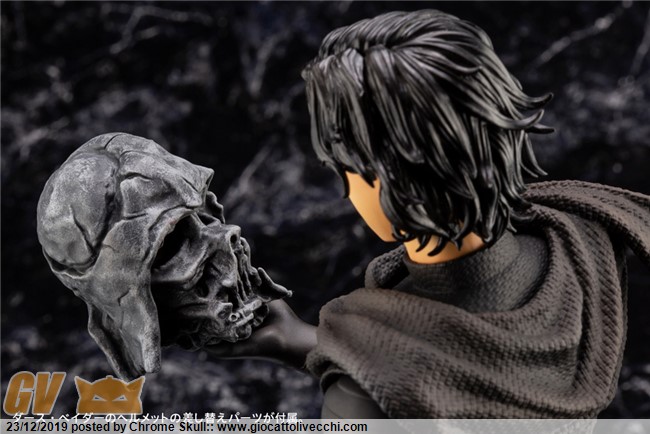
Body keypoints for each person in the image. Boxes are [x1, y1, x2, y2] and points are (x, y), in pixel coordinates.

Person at [209, 10, 650, 418]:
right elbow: (465, 361)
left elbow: (420, 369)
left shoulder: (361, 399)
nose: (346, 187)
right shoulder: (587, 238)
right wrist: (310, 344)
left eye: (346, 165)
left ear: (394, 177)